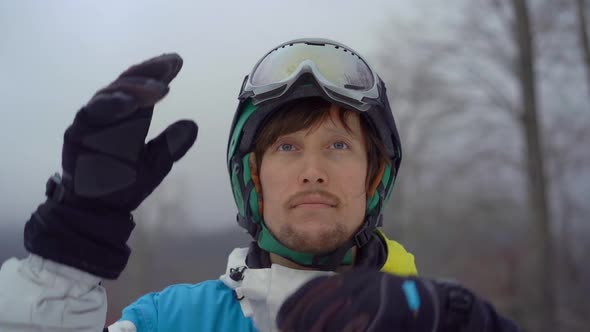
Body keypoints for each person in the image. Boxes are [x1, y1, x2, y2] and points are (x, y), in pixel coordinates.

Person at [0, 38, 519, 332]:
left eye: (338, 146)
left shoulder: (432, 320)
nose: (312, 170)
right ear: (252, 179)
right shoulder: (171, 323)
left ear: (374, 175)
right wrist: (64, 264)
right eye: (287, 147)